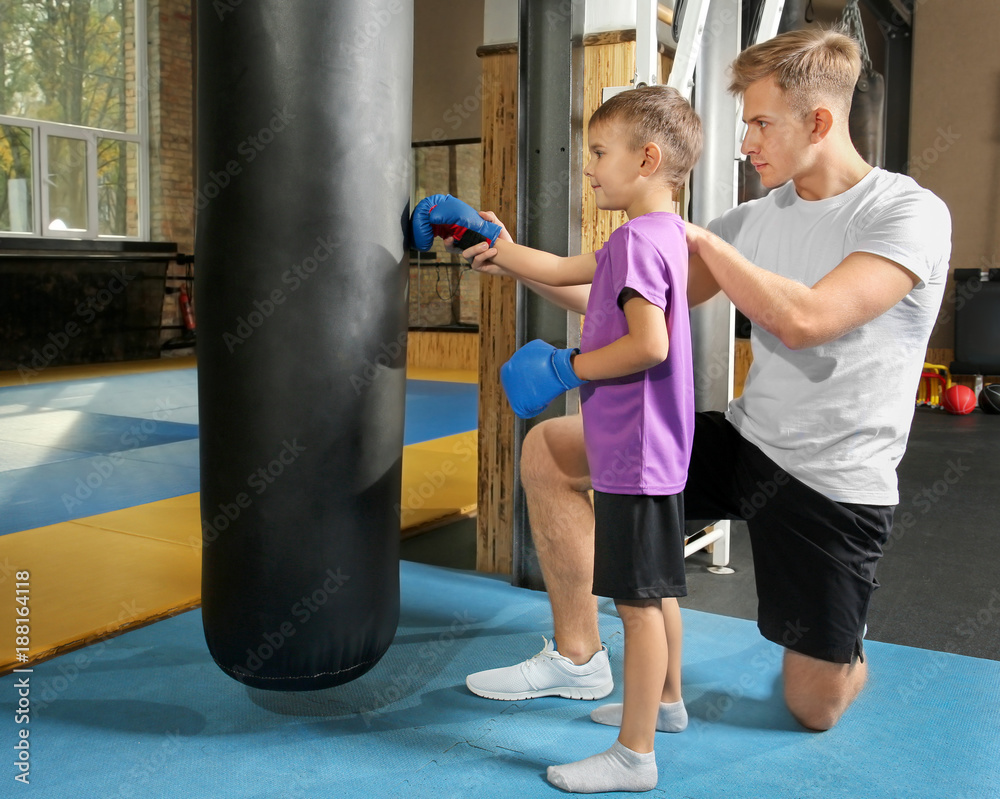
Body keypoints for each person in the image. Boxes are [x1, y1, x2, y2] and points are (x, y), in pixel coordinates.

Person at [461, 27, 952, 735]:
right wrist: (510, 259)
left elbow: (807, 319)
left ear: (818, 122)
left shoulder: (905, 213)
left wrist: (709, 244)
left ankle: (845, 645)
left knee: (813, 706)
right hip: (745, 440)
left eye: (760, 123)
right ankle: (578, 656)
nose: (745, 141)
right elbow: (625, 301)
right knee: (549, 452)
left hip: (832, 478)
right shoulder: (756, 217)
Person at [413, 85, 703, 793]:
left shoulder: (635, 243)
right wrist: (498, 245)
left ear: (648, 157)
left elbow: (650, 345)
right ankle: (665, 704)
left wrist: (563, 367)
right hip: (658, 446)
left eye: (600, 154)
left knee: (635, 605)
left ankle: (633, 756)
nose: (590, 168)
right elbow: (566, 271)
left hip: (634, 450)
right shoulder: (660, 236)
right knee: (659, 591)